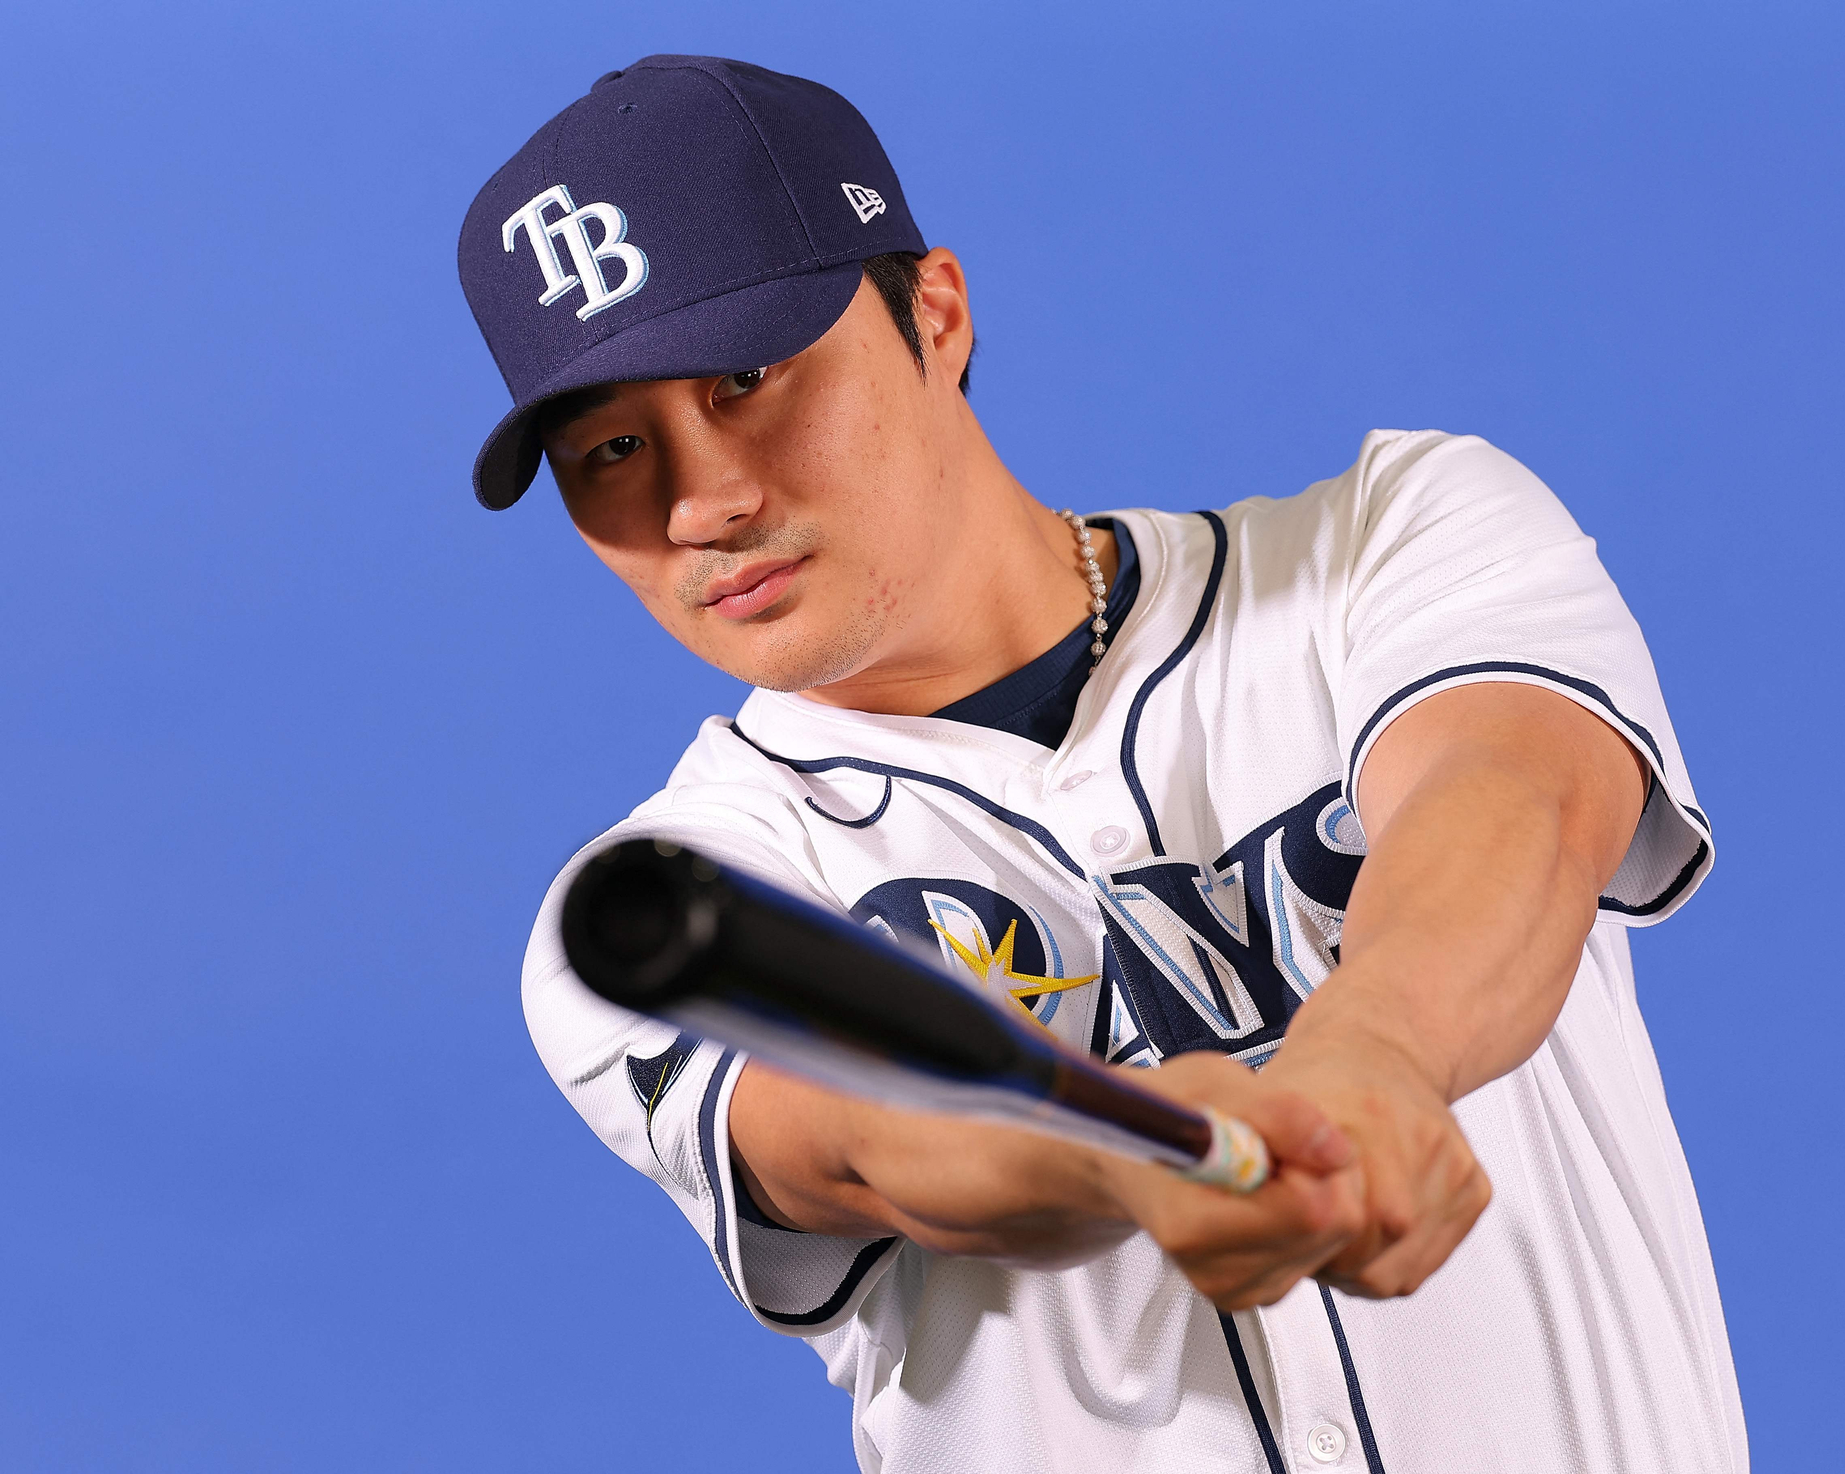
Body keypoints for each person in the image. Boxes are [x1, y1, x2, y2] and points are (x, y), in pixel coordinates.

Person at [459, 54, 1746, 1474]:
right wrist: (1120, 1154)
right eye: (613, 447)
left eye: (751, 375)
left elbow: (1517, 802)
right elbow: (862, 1142)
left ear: (934, 315)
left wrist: (1377, 1051)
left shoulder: (1394, 544)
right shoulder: (674, 893)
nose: (701, 500)